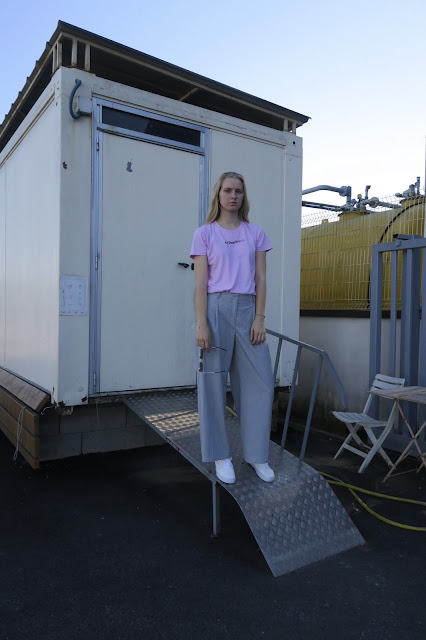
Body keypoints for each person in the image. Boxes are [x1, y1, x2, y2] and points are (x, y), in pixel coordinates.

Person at [190, 171, 275, 484]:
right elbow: (200, 284)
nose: (233, 196)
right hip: (216, 309)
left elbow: (261, 278)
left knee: (261, 383)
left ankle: (257, 455)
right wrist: (202, 324)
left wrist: (260, 317)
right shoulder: (204, 234)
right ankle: (220, 455)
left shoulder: (255, 233)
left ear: (243, 196)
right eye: (227, 190)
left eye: (238, 191)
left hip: (248, 310)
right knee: (213, 383)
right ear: (219, 194)